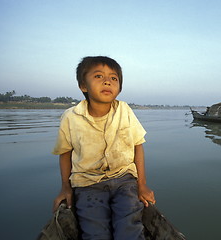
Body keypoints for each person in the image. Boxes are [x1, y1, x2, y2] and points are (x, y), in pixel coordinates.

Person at [52, 56, 155, 240]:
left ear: (119, 88)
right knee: (95, 230)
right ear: (83, 86)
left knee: (130, 225)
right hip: (88, 183)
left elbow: (138, 145)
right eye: (98, 76)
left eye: (114, 78)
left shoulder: (125, 111)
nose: (107, 81)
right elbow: (65, 153)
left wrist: (141, 184)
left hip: (124, 180)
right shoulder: (70, 117)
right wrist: (65, 187)